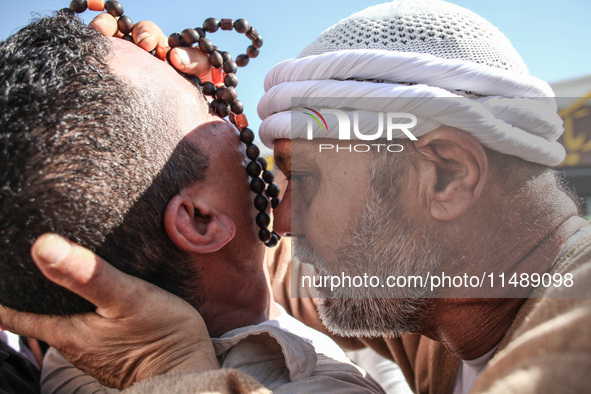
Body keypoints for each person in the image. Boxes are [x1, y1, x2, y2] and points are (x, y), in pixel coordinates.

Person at [3, 1, 591, 393]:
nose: (280, 218)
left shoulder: (575, 336)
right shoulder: (440, 285)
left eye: (300, 178)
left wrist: (170, 369)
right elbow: (250, 263)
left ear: (444, 176)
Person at [0, 11, 384, 394]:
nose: (231, 111)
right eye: (207, 106)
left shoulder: (76, 355)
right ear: (200, 220)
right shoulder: (325, 386)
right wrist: (177, 370)